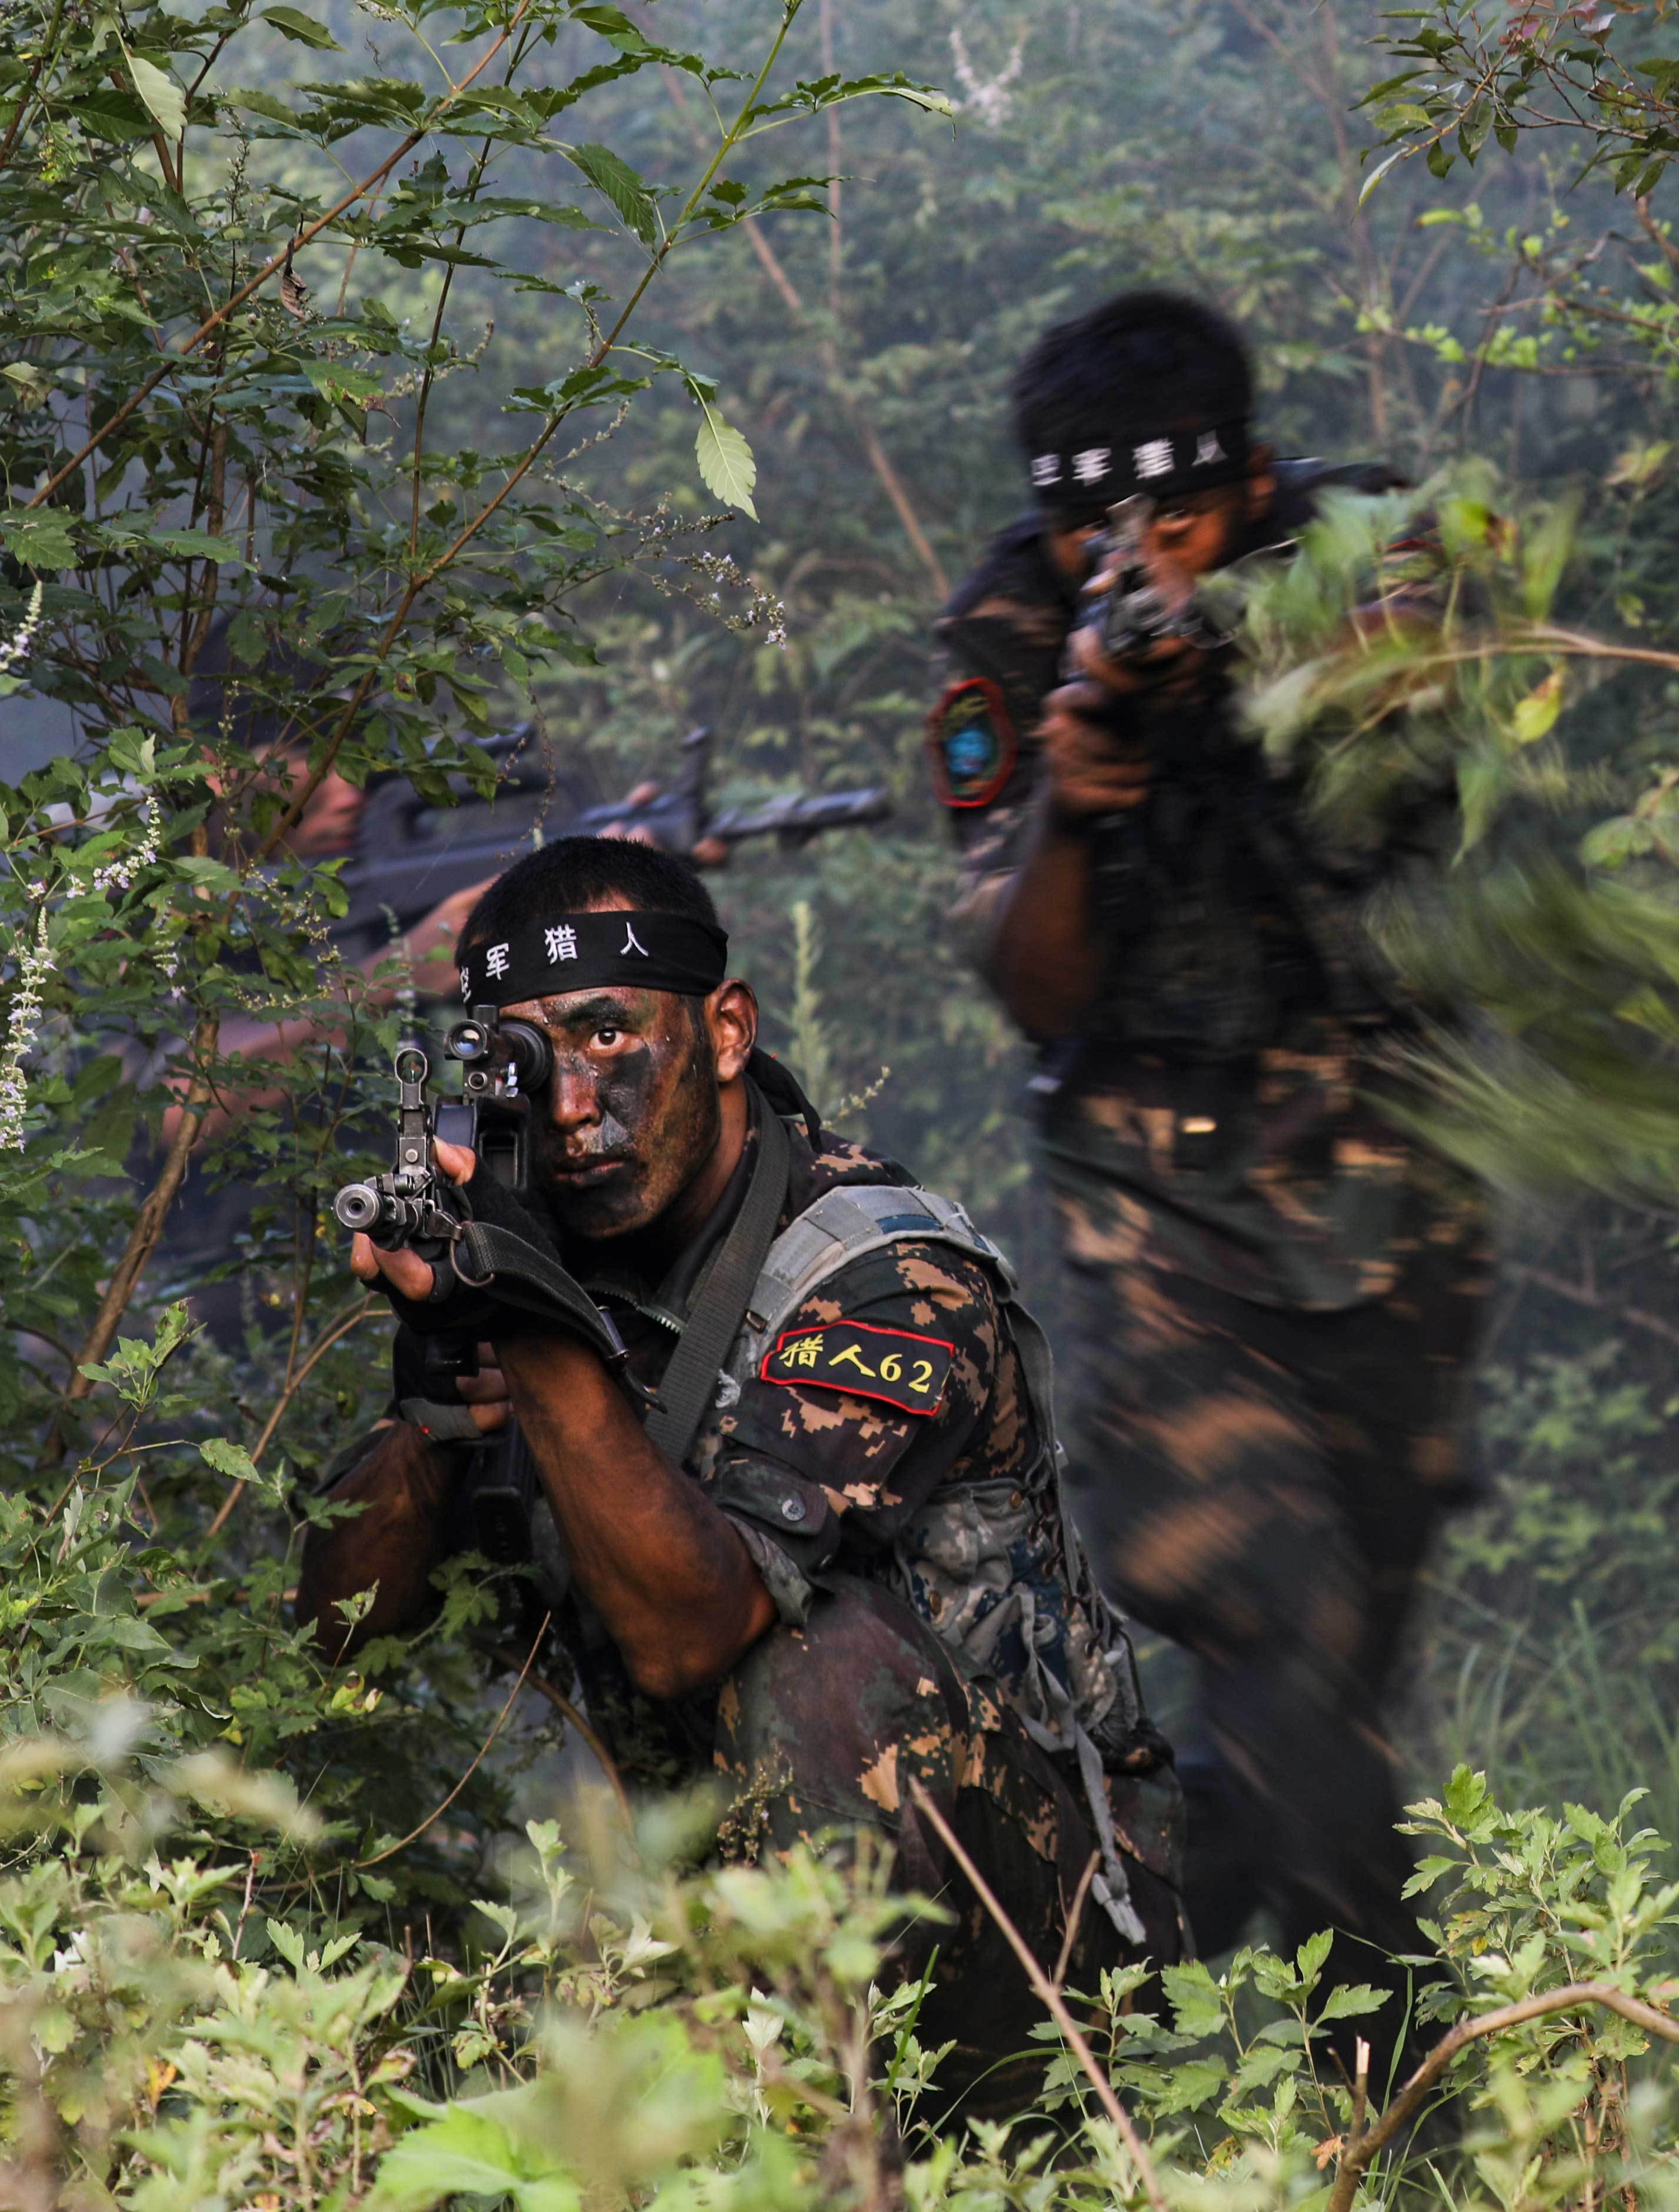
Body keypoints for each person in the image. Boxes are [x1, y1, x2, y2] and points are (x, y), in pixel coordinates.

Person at [295, 835, 1177, 2113]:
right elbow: (336, 1639)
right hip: (699, 1899)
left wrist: (536, 1332)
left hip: (1039, 1946)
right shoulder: (545, 1240)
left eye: (609, 1036)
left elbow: (693, 1632)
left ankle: (866, 2136)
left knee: (818, 1669)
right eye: (527, 1063)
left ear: (723, 1030)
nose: (570, 1106)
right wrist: (439, 1391)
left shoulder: (885, 1275)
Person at [928, 290, 1489, 2061]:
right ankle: (1410, 2109)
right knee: (1276, 1623)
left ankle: (1110, 1998)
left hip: (1397, 1183)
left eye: (1171, 521)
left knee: (1328, 1701)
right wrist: (1072, 791)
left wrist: (1230, 665)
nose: (1129, 559)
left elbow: (1409, 773)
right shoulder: (1015, 628)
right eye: (1095, 526)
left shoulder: (1367, 543)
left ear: (1248, 482)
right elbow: (1030, 982)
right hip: (1154, 1202)